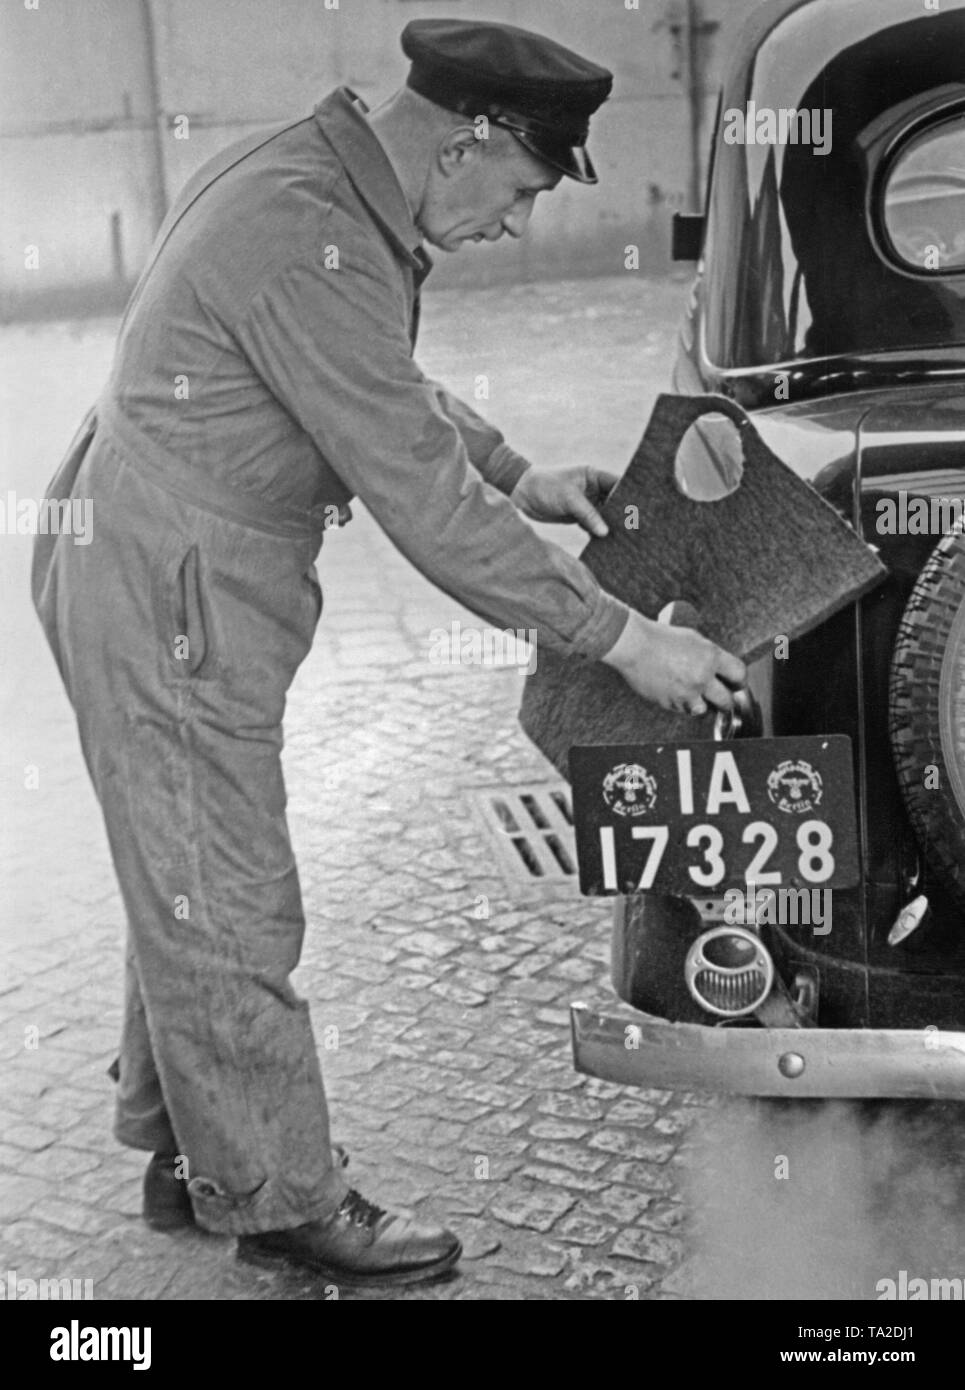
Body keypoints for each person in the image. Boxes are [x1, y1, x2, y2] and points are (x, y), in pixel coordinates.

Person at [32, 18, 745, 1288]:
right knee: (230, 890)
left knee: (179, 859)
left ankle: (184, 1151)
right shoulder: (311, 228)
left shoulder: (322, 185)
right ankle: (280, 1202)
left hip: (162, 558)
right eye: (523, 191)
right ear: (467, 140)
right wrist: (621, 637)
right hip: (171, 585)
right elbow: (420, 500)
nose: (516, 225)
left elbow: (374, 383)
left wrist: (518, 467)